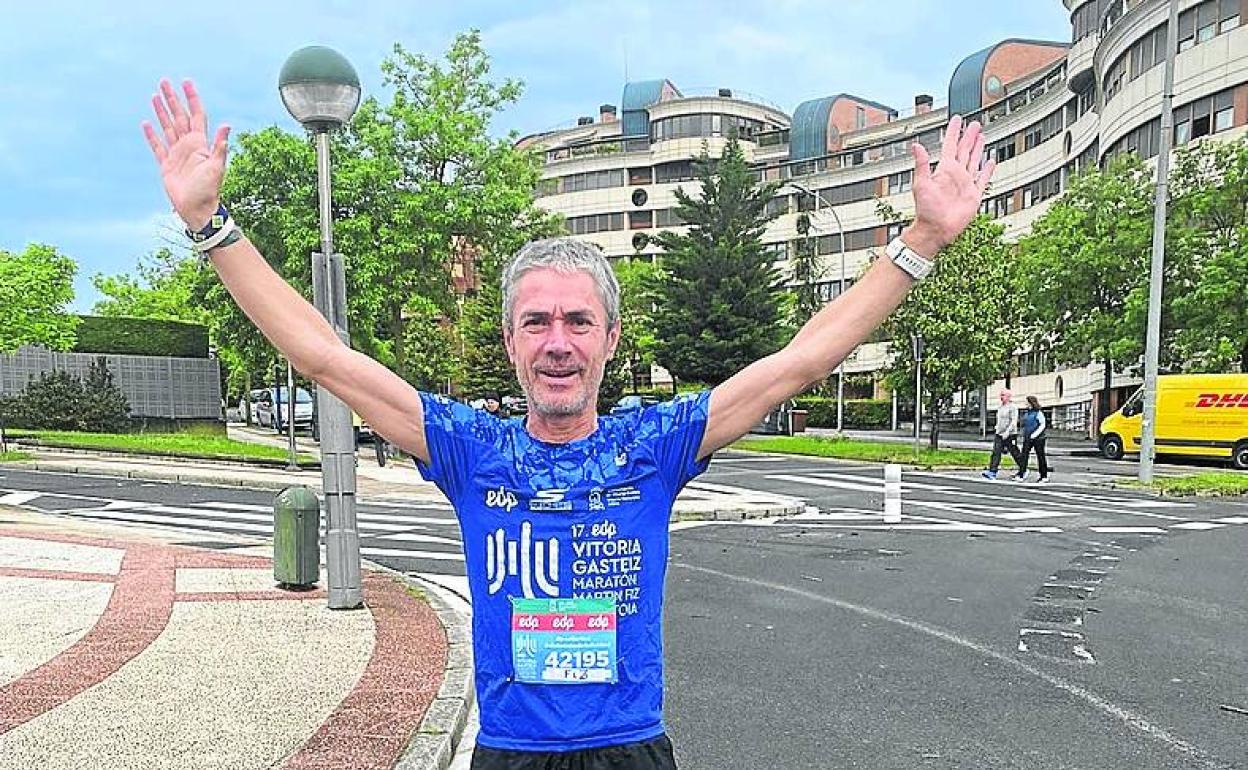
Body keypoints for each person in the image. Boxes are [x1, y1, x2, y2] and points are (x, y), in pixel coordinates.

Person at [142, 78, 994, 769]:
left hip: (628, 749)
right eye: (538, 323)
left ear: (611, 339)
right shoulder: (471, 451)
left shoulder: (653, 449)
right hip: (512, 752)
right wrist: (210, 226)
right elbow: (326, 359)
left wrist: (921, 237)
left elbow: (801, 361)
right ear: (510, 341)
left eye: (579, 322)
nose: (559, 343)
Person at [982, 388, 1023, 480]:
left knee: (1014, 452)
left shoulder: (1012, 407)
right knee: (996, 452)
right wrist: (997, 428)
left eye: (1003, 395)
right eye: (1001, 395)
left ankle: (1023, 468)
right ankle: (992, 471)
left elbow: (1013, 421)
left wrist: (1007, 432)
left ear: (1008, 396)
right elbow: (1000, 420)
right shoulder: (1000, 407)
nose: (1001, 397)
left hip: (1010, 434)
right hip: (999, 434)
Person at [1015, 395, 1051, 483]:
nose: (1025, 404)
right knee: (1024, 455)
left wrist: (1034, 435)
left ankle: (1044, 476)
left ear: (1031, 403)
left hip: (1039, 438)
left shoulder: (1038, 413)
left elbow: (1042, 424)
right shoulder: (1027, 413)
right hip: (1028, 437)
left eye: (1027, 402)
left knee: (1040, 456)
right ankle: (1022, 473)